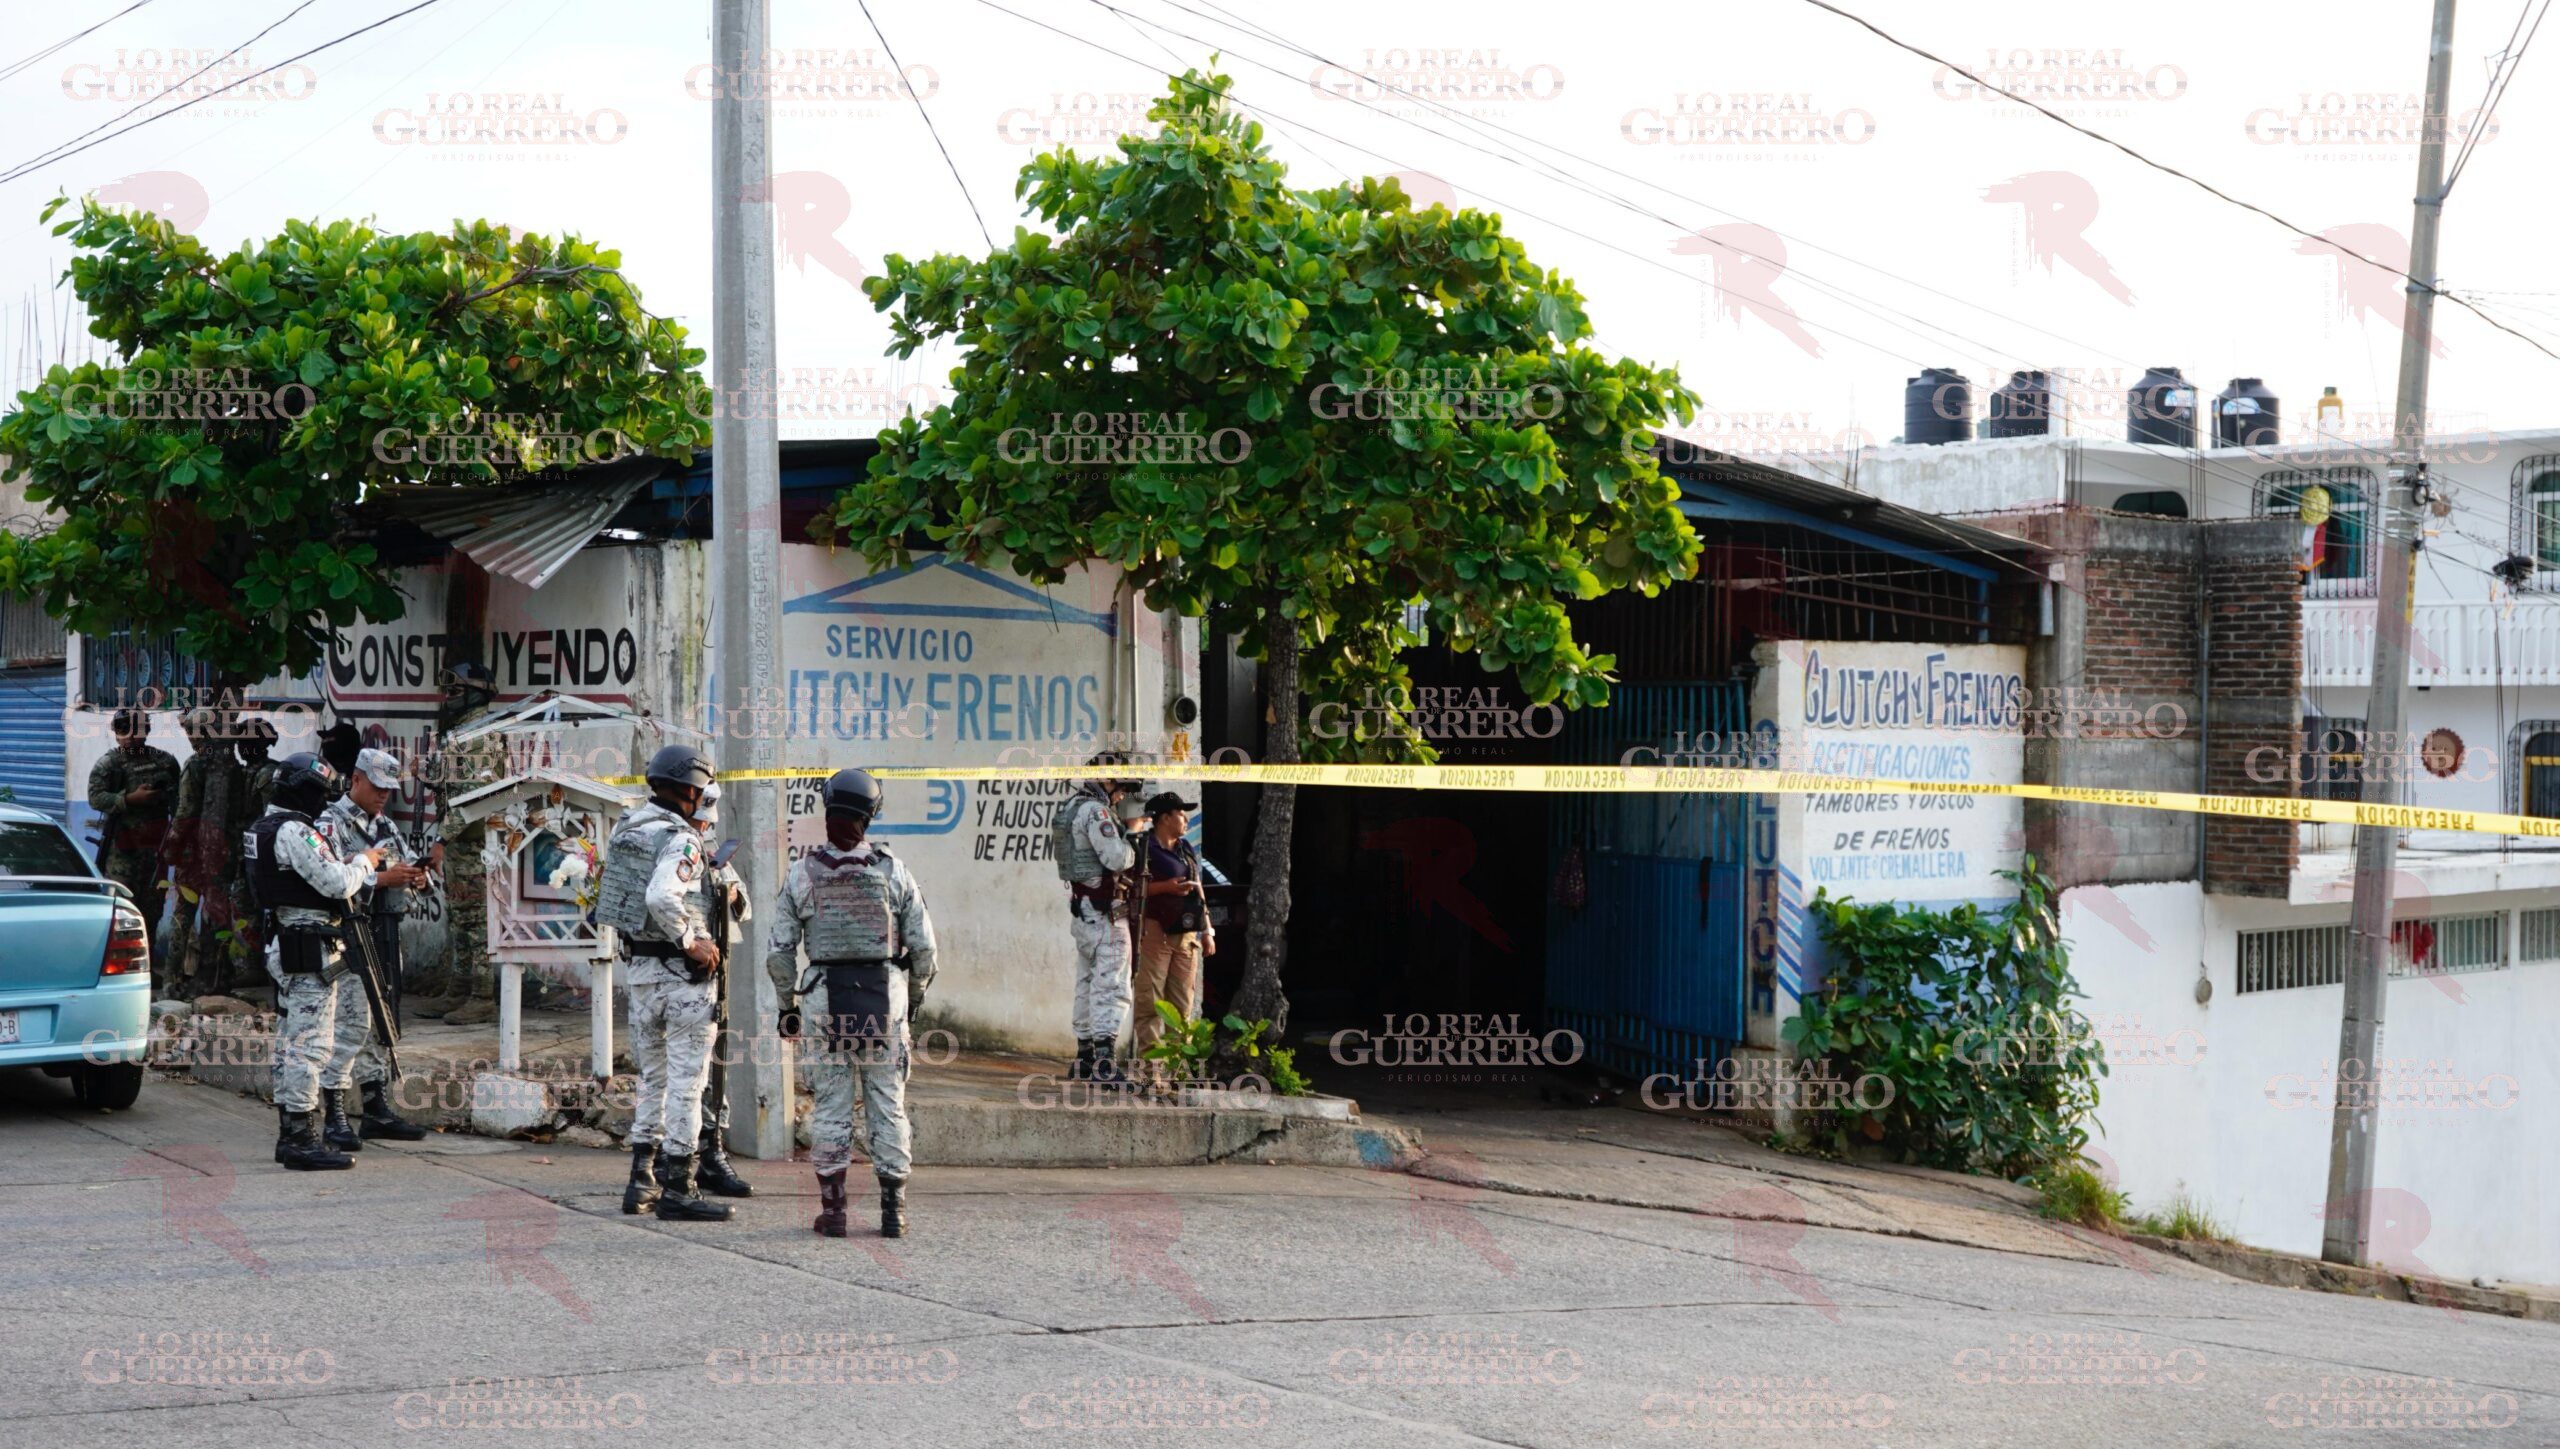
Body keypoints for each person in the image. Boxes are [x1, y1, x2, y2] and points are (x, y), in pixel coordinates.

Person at [766, 768, 938, 1239]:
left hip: (824, 998)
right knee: (888, 1104)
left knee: (830, 1106)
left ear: (827, 811)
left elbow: (779, 954)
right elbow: (925, 952)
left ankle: (834, 1212)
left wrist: (788, 1008)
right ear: (871, 816)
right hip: (885, 999)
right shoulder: (893, 871)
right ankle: (893, 1212)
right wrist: (913, 1003)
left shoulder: (802, 874)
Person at [594, 744, 730, 1223]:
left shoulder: (628, 829)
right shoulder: (683, 839)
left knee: (652, 1080)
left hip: (643, 977)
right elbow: (660, 895)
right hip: (682, 981)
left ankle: (641, 1180)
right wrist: (691, 940)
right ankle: (679, 1187)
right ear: (692, 790)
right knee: (687, 1086)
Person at [243, 753, 388, 1172]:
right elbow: (336, 881)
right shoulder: (293, 829)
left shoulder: (261, 828)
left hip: (288, 941)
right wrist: (365, 862)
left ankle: (292, 1132)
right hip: (308, 945)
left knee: (290, 1042)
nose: (324, 802)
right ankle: (302, 1140)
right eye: (320, 793)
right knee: (310, 1045)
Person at [316, 748, 429, 1144]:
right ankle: (334, 1112)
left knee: (384, 1018)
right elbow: (329, 879)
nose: (384, 795)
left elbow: (407, 862)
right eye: (378, 787)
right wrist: (381, 881)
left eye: (389, 789)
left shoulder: (385, 825)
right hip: (350, 934)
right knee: (352, 1023)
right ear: (357, 780)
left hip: (385, 930)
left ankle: (376, 1103)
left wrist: (417, 876)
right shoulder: (330, 823)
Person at [1049, 753, 1145, 1083]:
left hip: (1082, 908)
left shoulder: (1069, 807)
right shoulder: (1096, 812)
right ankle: (1105, 1061)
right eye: (1122, 788)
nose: (1123, 797)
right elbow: (1118, 859)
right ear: (1107, 780)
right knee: (1112, 984)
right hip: (1105, 912)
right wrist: (1131, 832)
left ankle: (1084, 1056)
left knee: (1087, 982)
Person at [425, 664, 504, 1025]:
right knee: (459, 919)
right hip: (460, 842)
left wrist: (442, 838)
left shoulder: (479, 735)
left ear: (476, 692)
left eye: (455, 692)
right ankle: (458, 990)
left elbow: (475, 798)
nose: (448, 698)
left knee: (475, 922)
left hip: (472, 843)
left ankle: (482, 996)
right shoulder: (462, 732)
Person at [687, 779, 754, 1199]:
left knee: (717, 1066)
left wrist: (729, 894)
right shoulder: (665, 846)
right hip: (676, 972)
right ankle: (676, 1159)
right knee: (682, 1072)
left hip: (716, 972)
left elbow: (745, 906)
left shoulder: (713, 855)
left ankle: (713, 1151)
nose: (701, 825)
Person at [1131, 793, 1215, 1088]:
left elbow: (1199, 888)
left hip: (1187, 935)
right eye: (1181, 813)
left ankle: (1178, 1073)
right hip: (1155, 933)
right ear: (1165, 817)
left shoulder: (1186, 848)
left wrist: (1207, 930)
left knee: (1182, 1007)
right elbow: (1132, 889)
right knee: (1151, 1003)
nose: (1186, 820)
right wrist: (1165, 887)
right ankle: (1151, 1075)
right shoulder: (1144, 847)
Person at [87, 708, 182, 964]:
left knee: (152, 909)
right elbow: (95, 798)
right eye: (122, 730)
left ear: (146, 731)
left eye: (134, 730)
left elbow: (179, 801)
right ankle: (117, 964)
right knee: (121, 910)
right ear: (115, 734)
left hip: (155, 850)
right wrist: (130, 799)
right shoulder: (109, 764)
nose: (128, 736)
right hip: (123, 852)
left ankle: (145, 964)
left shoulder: (165, 762)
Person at [160, 708, 225, 995]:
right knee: (216, 915)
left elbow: (184, 813)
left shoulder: (195, 765)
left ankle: (171, 979)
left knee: (183, 915)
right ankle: (213, 978)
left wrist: (170, 846)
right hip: (221, 852)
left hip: (193, 854)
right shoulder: (228, 765)